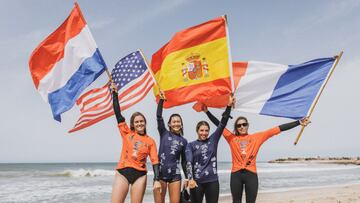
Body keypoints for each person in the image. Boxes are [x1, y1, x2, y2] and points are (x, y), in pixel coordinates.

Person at [203, 105, 310, 203]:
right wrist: (207, 111)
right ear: (236, 127)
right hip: (236, 174)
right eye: (239, 125)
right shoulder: (231, 138)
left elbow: (277, 129)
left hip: (251, 174)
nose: (242, 127)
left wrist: (298, 123)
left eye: (244, 124)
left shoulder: (257, 137)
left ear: (247, 125)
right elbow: (219, 124)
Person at [110, 83, 161, 203]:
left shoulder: (150, 141)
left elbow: (155, 161)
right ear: (133, 124)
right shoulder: (127, 133)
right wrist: (115, 93)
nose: (139, 124)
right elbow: (118, 114)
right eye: (137, 122)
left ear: (145, 123)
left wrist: (157, 179)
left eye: (141, 121)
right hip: (123, 172)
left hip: (140, 175)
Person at [185, 95, 235, 203]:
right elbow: (188, 162)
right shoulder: (190, 145)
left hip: (212, 182)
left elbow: (222, 123)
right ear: (197, 131)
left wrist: (229, 106)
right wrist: (190, 179)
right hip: (197, 182)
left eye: (206, 130)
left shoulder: (213, 140)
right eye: (201, 130)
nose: (204, 133)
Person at [153, 91, 189, 203]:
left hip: (175, 176)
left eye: (178, 122)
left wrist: (187, 177)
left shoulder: (184, 141)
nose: (176, 124)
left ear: (181, 124)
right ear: (169, 124)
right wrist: (161, 101)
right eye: (174, 122)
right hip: (160, 175)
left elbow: (184, 161)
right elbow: (159, 116)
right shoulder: (164, 133)